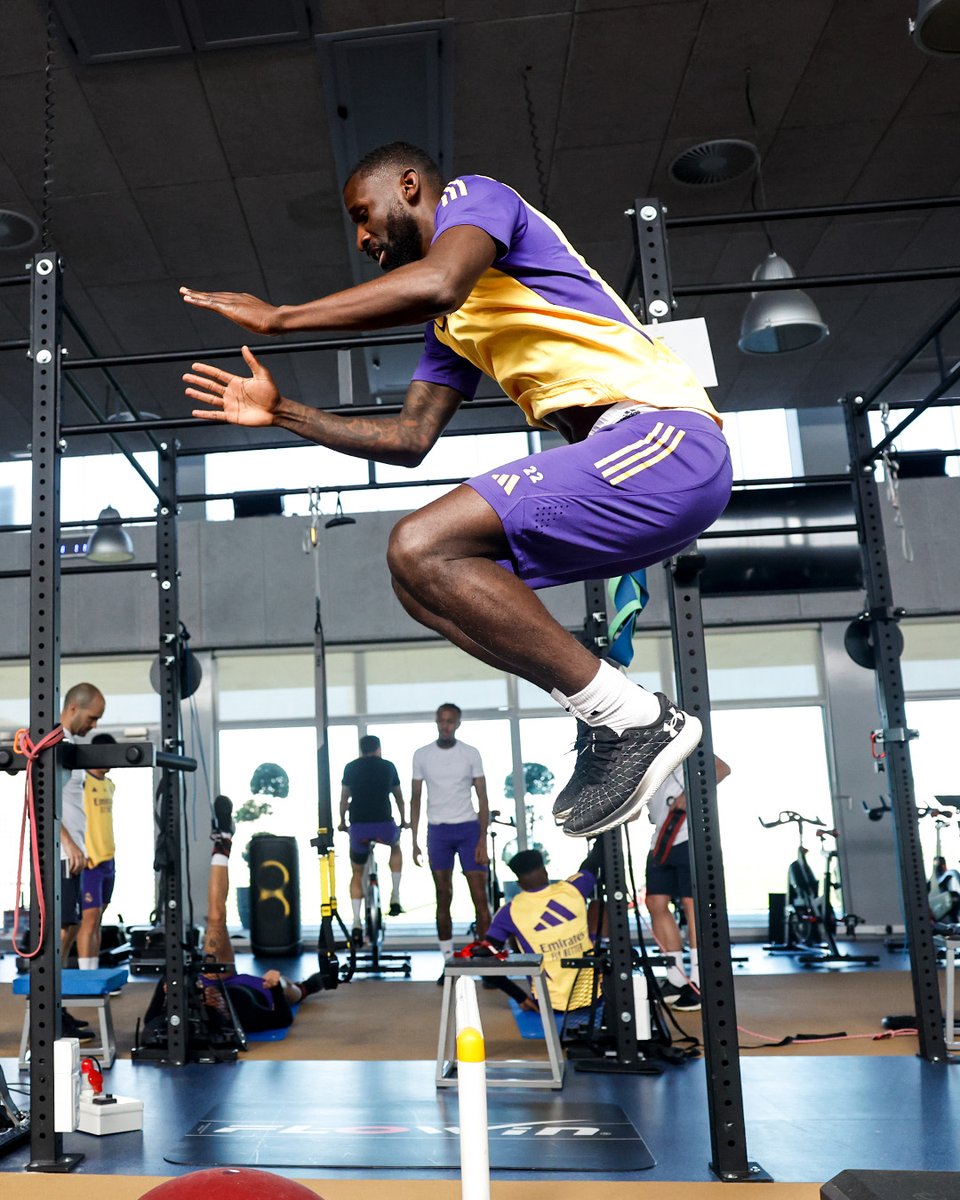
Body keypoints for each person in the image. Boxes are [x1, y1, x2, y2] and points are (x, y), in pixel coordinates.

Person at [182, 141, 732, 841]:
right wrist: (283, 411)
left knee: (420, 541)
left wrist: (280, 318)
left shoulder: (479, 197)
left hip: (666, 442)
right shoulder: (454, 323)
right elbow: (409, 441)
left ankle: (636, 721)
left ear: (409, 186)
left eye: (363, 214)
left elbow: (439, 279)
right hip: (623, 466)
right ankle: (612, 717)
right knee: (419, 579)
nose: (361, 237)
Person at [200, 795, 325, 1034]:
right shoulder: (247, 1019)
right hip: (259, 991)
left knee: (216, 916)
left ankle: (223, 840)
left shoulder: (192, 1006)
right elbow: (282, 1019)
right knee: (292, 992)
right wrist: (276, 987)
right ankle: (306, 988)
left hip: (215, 980)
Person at [644, 755, 730, 1012]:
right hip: (661, 838)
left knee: (693, 906)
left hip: (690, 835)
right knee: (655, 903)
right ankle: (676, 979)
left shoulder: (680, 739)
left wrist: (691, 794)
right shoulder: (639, 755)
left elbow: (722, 769)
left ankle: (700, 981)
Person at [480, 842, 604, 1018]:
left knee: (516, 937)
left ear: (519, 883)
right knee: (598, 905)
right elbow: (593, 861)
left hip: (549, 1004)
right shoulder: (573, 889)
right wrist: (601, 834)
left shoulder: (510, 911)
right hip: (595, 996)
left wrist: (519, 996)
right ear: (545, 872)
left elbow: (483, 959)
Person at [410, 703, 489, 967]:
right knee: (443, 895)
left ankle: (487, 961)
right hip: (438, 831)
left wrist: (482, 840)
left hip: (468, 828)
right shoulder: (421, 755)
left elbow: (483, 798)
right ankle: (448, 962)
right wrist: (414, 842)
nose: (446, 725)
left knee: (480, 897)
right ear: (436, 721)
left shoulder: (471, 753)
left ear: (458, 723)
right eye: (442, 721)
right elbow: (416, 799)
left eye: (451, 721)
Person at [59, 682, 106, 1041]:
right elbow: (37, 800)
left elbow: (72, 806)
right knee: (60, 932)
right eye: (92, 718)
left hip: (73, 854)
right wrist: (68, 844)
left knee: (71, 927)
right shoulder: (55, 742)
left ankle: (55, 1007)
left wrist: (81, 846)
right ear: (74, 709)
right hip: (59, 854)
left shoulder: (73, 746)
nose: (94, 726)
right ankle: (48, 1010)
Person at [339, 734, 407, 939]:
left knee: (357, 873)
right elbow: (399, 798)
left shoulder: (350, 767)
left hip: (359, 827)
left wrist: (342, 822)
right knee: (395, 846)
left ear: (361, 749)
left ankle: (357, 921)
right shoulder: (388, 766)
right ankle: (395, 896)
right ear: (378, 748)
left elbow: (344, 799)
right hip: (384, 826)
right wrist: (404, 820)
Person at [77, 732, 118, 971]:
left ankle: (93, 973)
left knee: (99, 920)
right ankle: (85, 976)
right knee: (88, 920)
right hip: (90, 862)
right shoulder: (82, 782)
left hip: (108, 859)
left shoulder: (110, 785)